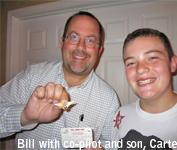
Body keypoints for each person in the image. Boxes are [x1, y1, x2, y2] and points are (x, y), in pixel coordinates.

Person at [0, 11, 120, 150]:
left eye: (90, 40)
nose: (81, 47)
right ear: (62, 43)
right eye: (74, 37)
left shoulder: (109, 100)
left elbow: (112, 144)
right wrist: (25, 117)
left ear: (99, 51)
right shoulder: (33, 75)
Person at [111, 28, 177, 150]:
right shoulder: (121, 115)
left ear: (173, 64)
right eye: (131, 63)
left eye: (152, 58)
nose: (140, 69)